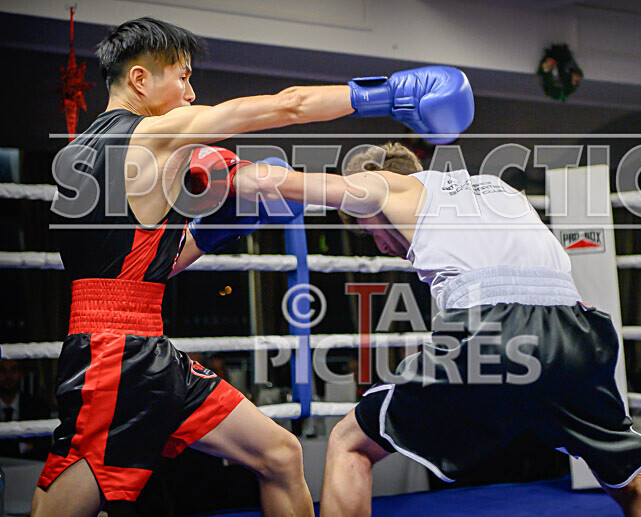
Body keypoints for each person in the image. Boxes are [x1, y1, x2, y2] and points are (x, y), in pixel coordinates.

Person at [37, 15, 473, 517]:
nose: (191, 93)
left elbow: (131, 271)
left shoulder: (84, 151)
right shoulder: (154, 134)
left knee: (281, 455)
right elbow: (286, 106)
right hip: (114, 361)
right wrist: (386, 95)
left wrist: (209, 232)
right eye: (182, 77)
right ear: (140, 79)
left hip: (144, 350)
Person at [229, 142, 641, 516]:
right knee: (631, 481)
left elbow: (296, 185)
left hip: (494, 333)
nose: (384, 247)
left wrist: (234, 172)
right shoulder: (497, 188)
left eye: (367, 232)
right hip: (578, 334)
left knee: (349, 442)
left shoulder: (384, 182)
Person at [0, 359, 51, 460]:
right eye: (2, 370)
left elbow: (43, 448)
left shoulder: (38, 406)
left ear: (21, 373)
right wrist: (23, 447)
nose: (8, 376)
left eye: (13, 370)